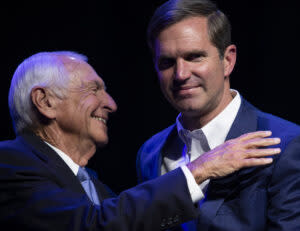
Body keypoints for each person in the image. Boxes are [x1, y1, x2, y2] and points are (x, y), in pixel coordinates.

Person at [0, 51, 280, 231]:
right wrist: (200, 169)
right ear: (45, 102)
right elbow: (92, 226)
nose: (110, 104)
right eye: (94, 89)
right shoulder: (9, 163)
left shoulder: (98, 188)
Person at [136, 0, 300, 230]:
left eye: (194, 57)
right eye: (167, 62)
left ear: (228, 60)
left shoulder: (287, 144)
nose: (181, 74)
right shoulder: (150, 153)